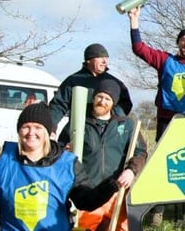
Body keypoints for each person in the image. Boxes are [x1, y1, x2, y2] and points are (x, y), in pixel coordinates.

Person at [0, 103, 118, 230]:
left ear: (47, 132)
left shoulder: (68, 164)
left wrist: (104, 190)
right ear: (19, 131)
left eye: (38, 127)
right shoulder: (1, 164)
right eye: (26, 127)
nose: (31, 132)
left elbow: (85, 201)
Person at [58, 80, 149, 231]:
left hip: (116, 190)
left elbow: (141, 152)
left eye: (108, 99)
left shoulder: (126, 125)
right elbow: (58, 150)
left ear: (113, 103)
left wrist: (131, 171)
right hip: (87, 192)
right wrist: (64, 151)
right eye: (99, 96)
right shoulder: (78, 123)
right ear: (93, 98)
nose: (102, 101)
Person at [128, 6, 185, 141]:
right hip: (166, 121)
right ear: (178, 43)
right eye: (183, 39)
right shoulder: (165, 60)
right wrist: (134, 20)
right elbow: (139, 48)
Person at [49, 43, 133, 128]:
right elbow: (58, 106)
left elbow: (125, 105)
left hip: (107, 131)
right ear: (88, 60)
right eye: (100, 57)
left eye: (106, 58)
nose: (104, 62)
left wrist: (111, 118)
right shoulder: (73, 81)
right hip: (79, 130)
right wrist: (50, 127)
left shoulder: (115, 83)